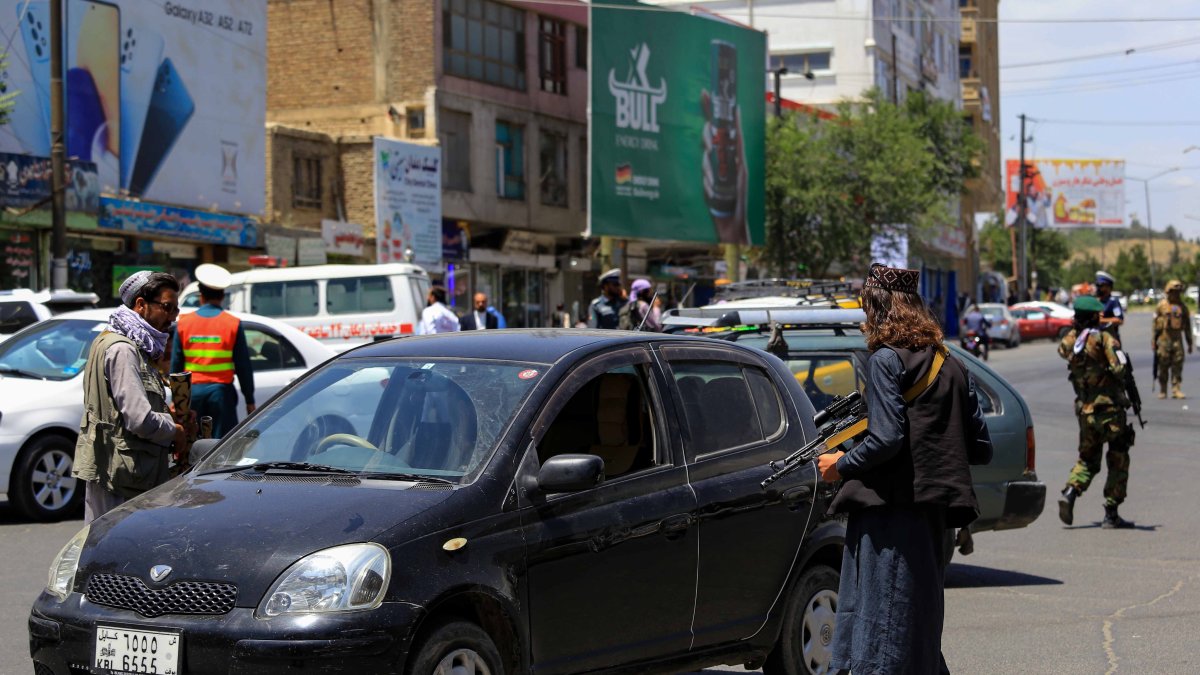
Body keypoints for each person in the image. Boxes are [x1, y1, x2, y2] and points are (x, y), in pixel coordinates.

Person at [817, 263, 993, 674]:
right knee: (916, 630)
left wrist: (839, 464)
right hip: (934, 520)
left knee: (882, 635)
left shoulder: (885, 361)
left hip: (891, 519)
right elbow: (980, 447)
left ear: (876, 306)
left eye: (866, 307)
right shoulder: (952, 363)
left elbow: (886, 438)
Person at [75, 271, 191, 523]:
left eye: (175, 311)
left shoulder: (125, 343)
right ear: (141, 305)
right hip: (124, 480)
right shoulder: (123, 350)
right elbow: (139, 420)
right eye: (167, 308)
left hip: (123, 474)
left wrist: (169, 413)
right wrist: (175, 430)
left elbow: (122, 408)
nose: (171, 318)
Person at [1056, 295, 1136, 529]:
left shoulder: (1071, 341)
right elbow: (1119, 368)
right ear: (1094, 316)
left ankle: (1071, 492)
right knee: (1118, 456)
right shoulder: (1104, 339)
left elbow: (1064, 350)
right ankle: (1111, 512)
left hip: (1086, 412)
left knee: (1088, 459)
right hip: (1110, 410)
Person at [171, 264, 256, 438]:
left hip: (192, 396)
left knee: (193, 444)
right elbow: (243, 366)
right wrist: (249, 400)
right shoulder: (232, 323)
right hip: (221, 396)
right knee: (220, 446)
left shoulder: (184, 322)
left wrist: (177, 400)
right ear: (222, 295)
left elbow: (176, 365)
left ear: (200, 295)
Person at [1152, 279, 1193, 399]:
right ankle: (1163, 390)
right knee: (1163, 365)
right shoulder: (1161, 305)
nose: (1175, 294)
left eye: (1177, 292)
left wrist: (1189, 342)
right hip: (1164, 339)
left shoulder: (1182, 307)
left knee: (1178, 364)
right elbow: (1155, 324)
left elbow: (1188, 326)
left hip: (1177, 340)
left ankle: (1176, 389)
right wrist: (1154, 341)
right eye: (1173, 292)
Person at [1094, 270, 1123, 341]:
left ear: (1108, 287)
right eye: (1097, 285)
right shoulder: (1096, 301)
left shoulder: (1113, 302)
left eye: (1100, 286)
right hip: (1097, 338)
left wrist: (1101, 320)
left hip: (1111, 339)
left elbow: (1119, 320)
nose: (1098, 288)